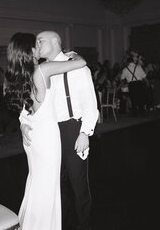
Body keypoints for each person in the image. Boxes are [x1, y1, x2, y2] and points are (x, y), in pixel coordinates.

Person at [4, 32, 87, 230]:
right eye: (36, 45)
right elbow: (82, 62)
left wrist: (23, 123)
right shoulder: (43, 70)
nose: (39, 48)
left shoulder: (14, 77)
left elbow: (23, 109)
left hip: (32, 138)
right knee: (48, 187)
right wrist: (72, 54)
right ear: (30, 50)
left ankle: (32, 223)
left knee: (36, 182)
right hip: (47, 139)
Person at [22, 31, 99, 230]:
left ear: (56, 42)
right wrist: (23, 121)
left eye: (41, 41)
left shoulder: (77, 67)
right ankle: (62, 224)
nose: (37, 46)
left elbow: (90, 103)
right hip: (49, 133)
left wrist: (85, 132)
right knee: (57, 184)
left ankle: (84, 225)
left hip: (72, 128)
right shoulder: (40, 70)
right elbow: (29, 102)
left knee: (78, 183)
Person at [121, 51, 148, 116]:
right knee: (140, 98)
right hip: (139, 84)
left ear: (128, 62)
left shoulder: (125, 69)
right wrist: (147, 84)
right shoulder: (138, 67)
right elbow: (144, 77)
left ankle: (135, 112)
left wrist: (123, 85)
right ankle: (142, 112)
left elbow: (122, 78)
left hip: (131, 85)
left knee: (133, 98)